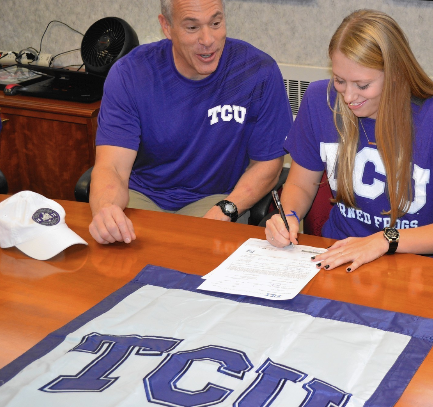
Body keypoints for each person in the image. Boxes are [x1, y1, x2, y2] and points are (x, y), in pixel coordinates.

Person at [265, 9, 433, 272]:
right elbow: (301, 186)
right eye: (339, 81)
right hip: (339, 257)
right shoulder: (318, 100)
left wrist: (383, 240)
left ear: (395, 74)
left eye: (362, 85)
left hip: (417, 266)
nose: (348, 97)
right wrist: (287, 216)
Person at [89, 0, 292, 245]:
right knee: (116, 264)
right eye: (192, 28)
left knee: (193, 263)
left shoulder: (258, 72)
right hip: (142, 196)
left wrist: (227, 209)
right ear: (166, 26)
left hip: (214, 199)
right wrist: (106, 209)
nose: (208, 39)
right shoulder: (130, 74)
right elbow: (112, 168)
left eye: (216, 23)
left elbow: (268, 165)